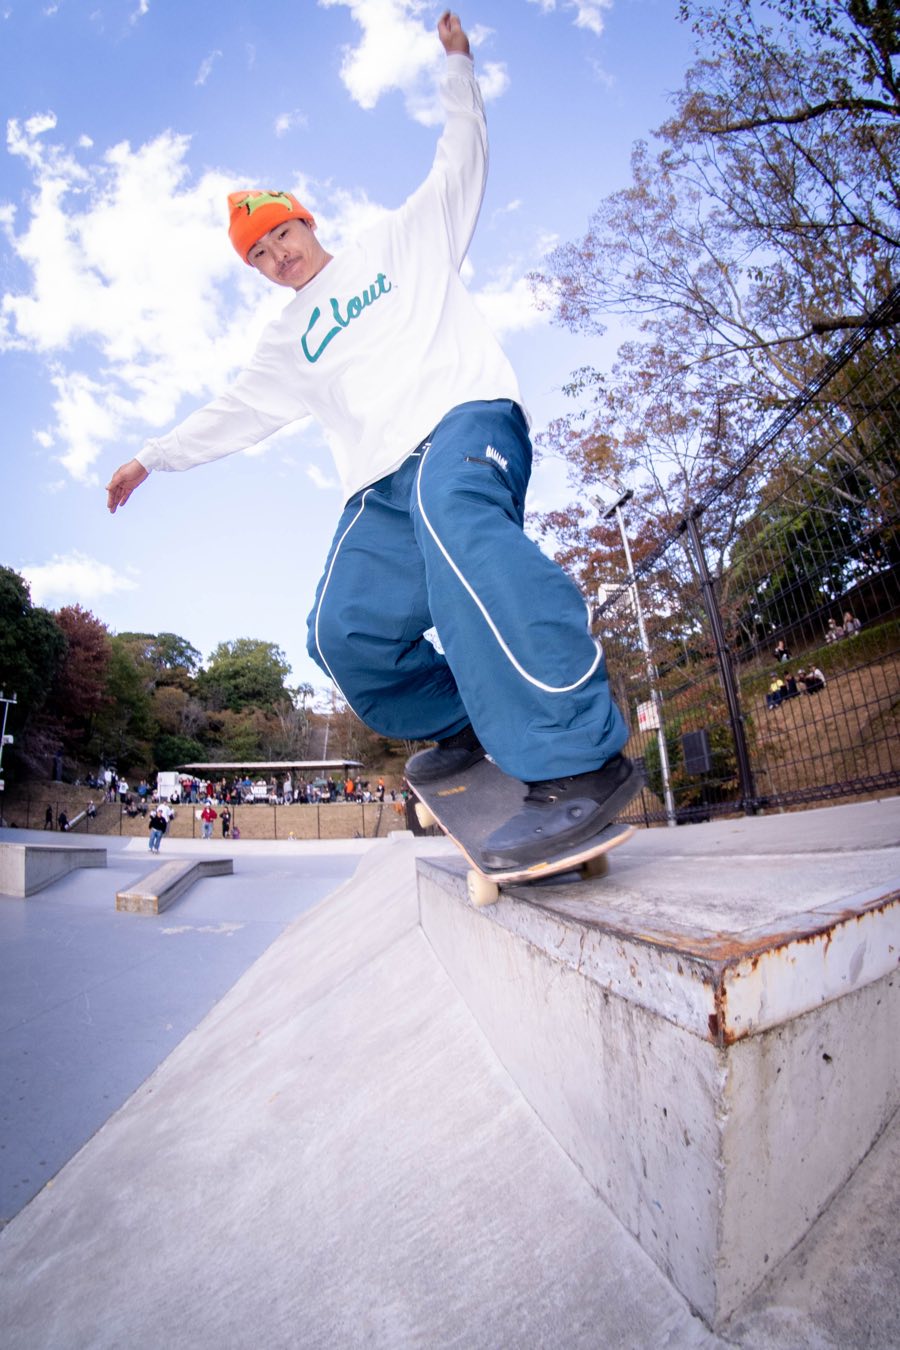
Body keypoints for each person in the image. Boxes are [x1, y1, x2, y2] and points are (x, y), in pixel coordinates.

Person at [106, 12, 641, 866]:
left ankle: (576, 753)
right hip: (379, 486)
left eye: (281, 235)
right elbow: (232, 411)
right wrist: (151, 458)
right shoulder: (286, 342)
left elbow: (461, 157)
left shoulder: (401, 240)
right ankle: (466, 719)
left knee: (453, 517)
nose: (278, 257)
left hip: (464, 423)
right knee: (341, 631)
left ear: (306, 222)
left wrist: (457, 68)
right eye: (259, 256)